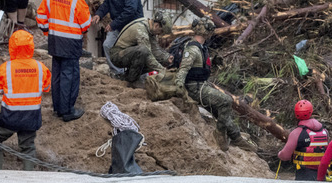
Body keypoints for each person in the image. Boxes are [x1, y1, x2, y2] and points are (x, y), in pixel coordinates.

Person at [174, 17, 256, 152]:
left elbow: (198, 64)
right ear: (206, 31)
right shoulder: (193, 49)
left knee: (221, 111)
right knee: (226, 101)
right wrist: (180, 89)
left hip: (202, 85)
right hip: (195, 88)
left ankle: (236, 137)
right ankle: (219, 134)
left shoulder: (200, 47)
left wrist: (212, 61)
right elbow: (183, 69)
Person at [0, 29, 51, 170]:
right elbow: (46, 88)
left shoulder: (6, 68)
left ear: (12, 47)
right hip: (31, 116)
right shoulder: (40, 68)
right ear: (31, 47)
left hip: (10, 116)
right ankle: (28, 178)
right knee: (28, 147)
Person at [36, 0, 92, 121]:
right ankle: (67, 111)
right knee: (70, 75)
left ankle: (58, 108)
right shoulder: (76, 0)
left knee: (57, 74)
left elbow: (40, 18)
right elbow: (86, 23)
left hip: (54, 41)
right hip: (71, 43)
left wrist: (48, 31)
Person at [91, 0, 144, 70]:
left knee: (133, 50)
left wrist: (113, 24)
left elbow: (130, 11)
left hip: (132, 26)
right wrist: (99, 14)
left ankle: (139, 75)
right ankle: (118, 72)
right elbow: (107, 2)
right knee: (107, 45)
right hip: (119, 25)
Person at [108, 9, 172, 84]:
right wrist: (162, 70)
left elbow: (155, 50)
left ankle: (126, 76)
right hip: (117, 55)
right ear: (156, 25)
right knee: (143, 51)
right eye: (161, 31)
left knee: (161, 59)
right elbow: (147, 55)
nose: (160, 34)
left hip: (128, 53)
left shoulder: (151, 29)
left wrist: (167, 58)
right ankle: (132, 80)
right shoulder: (141, 29)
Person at [277, 99, 330, 181]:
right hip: (322, 174)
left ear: (296, 114)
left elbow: (285, 156)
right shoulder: (325, 131)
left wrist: (279, 154)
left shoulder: (296, 133)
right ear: (311, 112)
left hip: (304, 174)